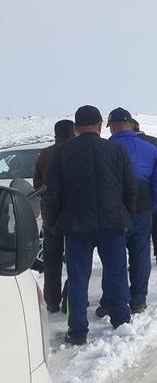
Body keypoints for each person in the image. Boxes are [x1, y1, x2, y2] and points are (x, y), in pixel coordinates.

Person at [43, 105, 135, 345]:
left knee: (77, 277)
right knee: (116, 272)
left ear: (75, 128)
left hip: (75, 226)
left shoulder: (61, 153)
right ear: (99, 125)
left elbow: (51, 193)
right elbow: (130, 188)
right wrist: (127, 215)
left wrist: (51, 221)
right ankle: (121, 320)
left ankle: (78, 330)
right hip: (112, 223)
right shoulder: (117, 150)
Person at [100, 107, 157, 315]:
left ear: (115, 125)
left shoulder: (105, 148)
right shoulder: (150, 148)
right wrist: (152, 207)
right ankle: (138, 300)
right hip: (142, 207)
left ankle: (112, 301)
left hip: (114, 208)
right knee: (140, 255)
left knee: (113, 257)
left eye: (110, 127)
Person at [33, 119, 75, 313]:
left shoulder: (45, 154)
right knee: (76, 257)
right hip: (74, 216)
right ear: (73, 132)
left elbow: (37, 186)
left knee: (52, 259)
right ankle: (70, 298)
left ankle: (51, 301)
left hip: (50, 215)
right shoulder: (76, 152)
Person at [132, 119, 157, 265]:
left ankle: (136, 259)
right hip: (156, 190)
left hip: (133, 194)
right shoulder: (156, 142)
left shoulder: (121, 144)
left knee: (136, 228)